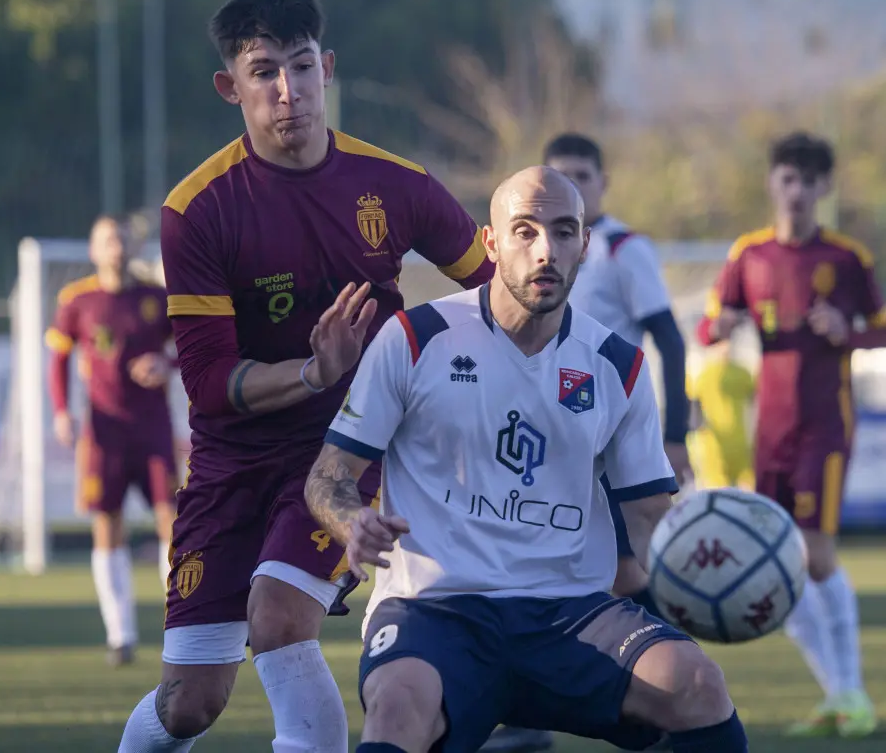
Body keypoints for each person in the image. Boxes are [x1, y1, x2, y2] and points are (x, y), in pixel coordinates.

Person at [116, 0, 493, 753]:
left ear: (326, 67)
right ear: (231, 86)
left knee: (281, 616)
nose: (287, 89)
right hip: (229, 466)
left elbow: (498, 292)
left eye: (299, 65)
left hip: (342, 454)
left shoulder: (398, 186)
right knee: (190, 703)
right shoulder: (197, 211)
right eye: (264, 72)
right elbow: (213, 387)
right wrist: (312, 372)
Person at [305, 166, 749, 753]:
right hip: (435, 610)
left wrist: (704, 580)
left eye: (565, 232)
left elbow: (648, 518)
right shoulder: (415, 338)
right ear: (491, 244)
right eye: (525, 231)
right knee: (397, 707)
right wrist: (350, 522)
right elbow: (327, 477)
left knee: (698, 685)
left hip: (570, 614)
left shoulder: (617, 365)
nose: (546, 251)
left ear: (584, 245)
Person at [481, 132, 695, 753]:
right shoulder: (533, 251)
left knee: (624, 571)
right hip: (549, 436)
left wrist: (675, 434)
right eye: (561, 171)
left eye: (583, 173)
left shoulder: (627, 250)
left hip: (607, 428)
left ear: (601, 183)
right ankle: (534, 711)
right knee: (561, 562)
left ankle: (667, 691)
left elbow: (670, 340)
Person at [696, 131, 886, 738]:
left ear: (824, 189)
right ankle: (839, 695)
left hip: (825, 427)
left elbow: (884, 332)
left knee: (817, 555)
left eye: (810, 181)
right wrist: (722, 324)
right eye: (789, 178)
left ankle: (852, 690)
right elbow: (706, 330)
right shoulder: (747, 256)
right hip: (770, 430)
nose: (798, 191)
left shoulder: (847, 259)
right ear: (772, 183)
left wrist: (846, 331)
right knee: (781, 564)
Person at [46, 215, 177, 667]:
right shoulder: (76, 301)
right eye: (106, 240)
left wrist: (167, 366)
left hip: (154, 428)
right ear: (93, 250)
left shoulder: (155, 299)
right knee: (108, 526)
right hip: (105, 434)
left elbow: (190, 347)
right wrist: (62, 412)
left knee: (174, 522)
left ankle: (178, 625)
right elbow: (58, 361)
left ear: (130, 248)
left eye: (120, 239)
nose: (115, 247)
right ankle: (120, 636)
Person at [687, 335, 755, 490]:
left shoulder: (743, 373)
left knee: (747, 491)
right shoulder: (701, 374)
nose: (725, 346)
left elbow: (756, 401)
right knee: (718, 493)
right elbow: (691, 410)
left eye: (727, 340)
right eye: (719, 342)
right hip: (712, 445)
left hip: (741, 444)